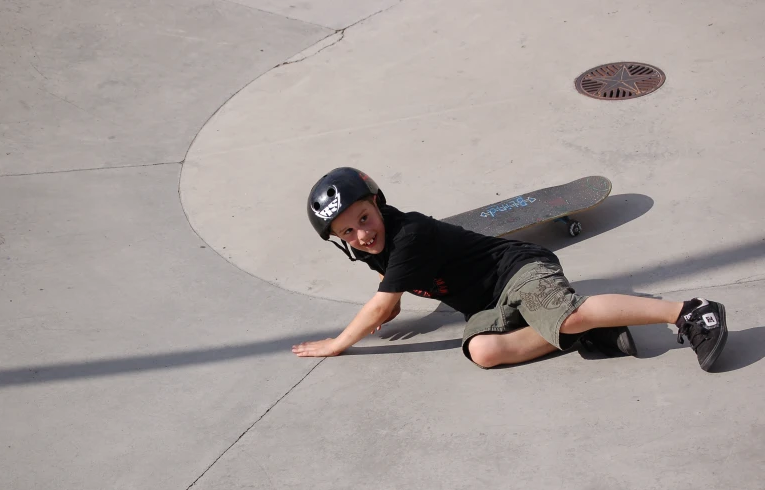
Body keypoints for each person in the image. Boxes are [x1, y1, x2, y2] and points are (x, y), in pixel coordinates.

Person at [292, 167, 728, 371]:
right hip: (487, 305)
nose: (362, 236)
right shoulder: (375, 250)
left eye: (363, 219)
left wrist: (339, 342)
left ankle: (689, 312)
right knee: (483, 353)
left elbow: (382, 302)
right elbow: (390, 303)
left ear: (378, 204)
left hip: (517, 270)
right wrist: (384, 318)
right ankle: (586, 334)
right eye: (347, 233)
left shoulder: (409, 235)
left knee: (568, 310)